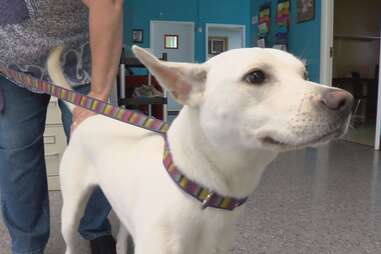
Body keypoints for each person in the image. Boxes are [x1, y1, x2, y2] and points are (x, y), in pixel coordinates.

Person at [0, 1, 124, 254]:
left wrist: (99, 95)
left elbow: (108, 6)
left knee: (93, 146)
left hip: (83, 57)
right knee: (16, 154)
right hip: (11, 66)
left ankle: (96, 229)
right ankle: (26, 244)